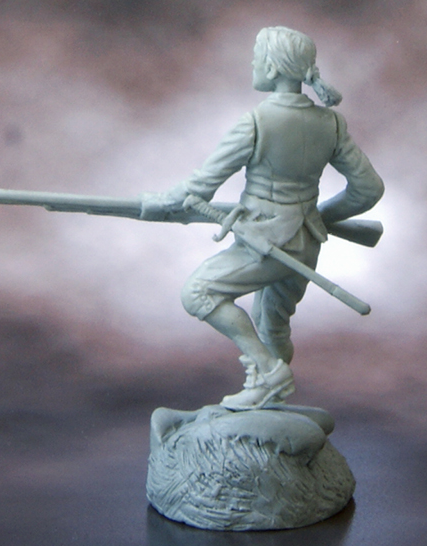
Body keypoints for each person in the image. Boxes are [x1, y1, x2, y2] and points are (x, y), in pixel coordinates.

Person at [161, 26, 384, 410]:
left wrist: (159, 203)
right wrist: (316, 218)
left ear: (273, 66)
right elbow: (368, 189)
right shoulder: (330, 123)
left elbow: (198, 189)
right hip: (305, 245)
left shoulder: (257, 121)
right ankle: (268, 399)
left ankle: (268, 372)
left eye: (256, 56)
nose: (251, 63)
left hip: (265, 244)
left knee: (198, 292)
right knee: (272, 324)